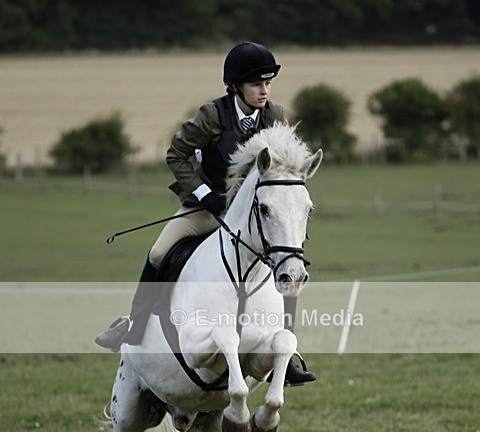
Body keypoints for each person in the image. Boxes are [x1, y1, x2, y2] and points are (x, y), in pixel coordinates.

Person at [95, 41, 315, 386]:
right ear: (236, 86)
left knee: (289, 262)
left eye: (268, 83)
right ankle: (134, 325)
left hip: (253, 216)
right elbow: (176, 155)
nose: (264, 90)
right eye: (257, 83)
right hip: (206, 209)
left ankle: (289, 355)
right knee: (157, 252)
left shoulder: (276, 116)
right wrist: (204, 193)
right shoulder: (212, 116)